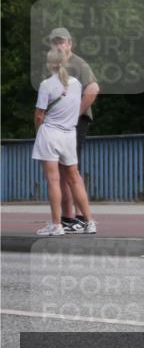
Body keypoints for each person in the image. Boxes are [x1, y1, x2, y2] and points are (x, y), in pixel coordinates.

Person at [32, 48, 97, 236]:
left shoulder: (46, 85)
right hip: (69, 135)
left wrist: (38, 130)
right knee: (75, 178)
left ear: (49, 64)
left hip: (50, 133)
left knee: (54, 180)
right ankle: (90, 222)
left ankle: (56, 225)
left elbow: (39, 114)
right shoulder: (76, 84)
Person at [46, 28, 100, 233]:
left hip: (76, 122)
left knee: (71, 169)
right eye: (55, 42)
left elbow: (93, 88)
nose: (58, 45)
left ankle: (81, 217)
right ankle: (68, 217)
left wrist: (75, 113)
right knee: (63, 169)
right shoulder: (57, 66)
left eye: (61, 41)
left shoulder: (78, 64)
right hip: (61, 123)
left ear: (70, 43)